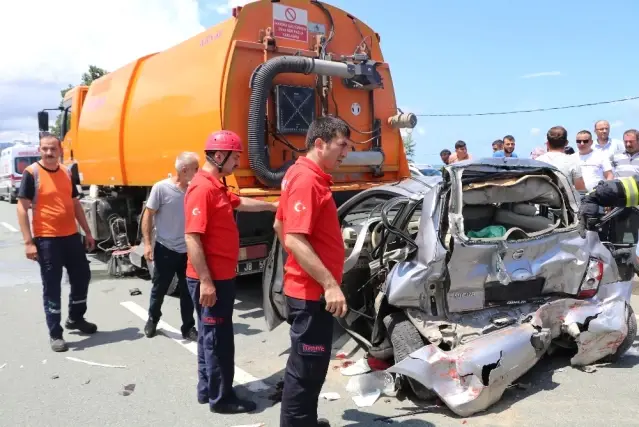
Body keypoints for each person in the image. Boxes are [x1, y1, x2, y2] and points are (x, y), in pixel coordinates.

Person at [184, 130, 278, 414]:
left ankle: (208, 389)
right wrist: (206, 281)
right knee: (218, 340)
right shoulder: (203, 188)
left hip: (219, 277)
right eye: (235, 157)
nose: (238, 162)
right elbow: (192, 237)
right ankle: (222, 399)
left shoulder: (217, 186)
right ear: (220, 156)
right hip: (211, 280)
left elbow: (240, 203)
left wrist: (272, 206)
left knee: (209, 335)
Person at [273, 116, 351, 427]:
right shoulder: (306, 180)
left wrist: (296, 265)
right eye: (341, 145)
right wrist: (329, 283)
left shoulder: (300, 174)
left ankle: (305, 421)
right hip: (311, 295)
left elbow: (280, 225)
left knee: (312, 366)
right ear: (320, 144)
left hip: (306, 288)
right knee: (305, 371)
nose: (346, 152)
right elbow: (292, 236)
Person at [16, 132, 97, 352]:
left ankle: (75, 318)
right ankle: (55, 333)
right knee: (52, 286)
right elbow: (22, 208)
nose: (49, 153)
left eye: (53, 149)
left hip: (70, 236)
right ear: (39, 150)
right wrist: (28, 242)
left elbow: (75, 203)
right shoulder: (31, 173)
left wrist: (87, 232)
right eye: (45, 149)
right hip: (47, 239)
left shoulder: (66, 171)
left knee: (82, 277)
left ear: (60, 149)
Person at [142, 152, 200, 340]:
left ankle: (188, 327)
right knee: (159, 288)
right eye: (195, 169)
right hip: (165, 249)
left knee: (188, 291)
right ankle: (153, 319)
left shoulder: (194, 190)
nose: (198, 172)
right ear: (184, 170)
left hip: (187, 251)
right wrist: (148, 244)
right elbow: (148, 215)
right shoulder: (161, 188)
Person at [536, 126, 586, 191]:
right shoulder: (573, 161)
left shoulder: (537, 161)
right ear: (566, 143)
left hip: (541, 200)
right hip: (566, 200)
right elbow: (581, 190)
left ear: (547, 143)